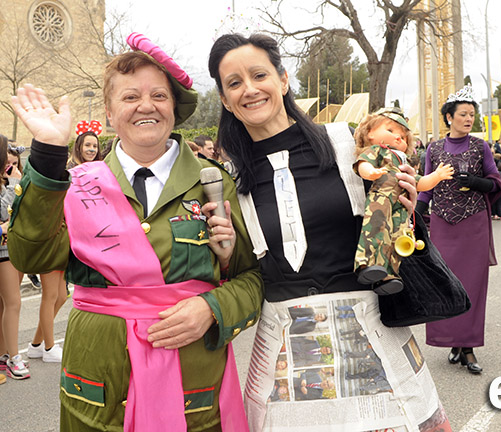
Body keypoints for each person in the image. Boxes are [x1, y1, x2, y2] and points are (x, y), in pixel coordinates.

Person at [9, 33, 263, 430]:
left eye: (159, 96)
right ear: (110, 113)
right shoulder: (75, 185)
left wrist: (212, 308)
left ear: (174, 110)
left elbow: (256, 278)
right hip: (97, 387)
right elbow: (31, 258)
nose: (146, 105)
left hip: (192, 384)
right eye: (130, 97)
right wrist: (47, 154)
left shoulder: (215, 183)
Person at [209, 33, 451, 431]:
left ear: (283, 80)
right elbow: (241, 271)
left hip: (371, 340)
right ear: (224, 98)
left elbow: (394, 221)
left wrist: (404, 204)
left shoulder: (344, 143)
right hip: (285, 356)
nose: (249, 89)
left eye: (259, 75)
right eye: (234, 83)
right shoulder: (229, 178)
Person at [416, 83, 501, 374]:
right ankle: (452, 341)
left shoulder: (481, 147)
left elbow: (495, 183)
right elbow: (425, 188)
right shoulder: (434, 148)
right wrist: (415, 214)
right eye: (463, 114)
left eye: (472, 115)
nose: (469, 119)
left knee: (472, 286)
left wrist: (476, 182)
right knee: (445, 284)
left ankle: (468, 348)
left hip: (473, 225)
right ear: (449, 117)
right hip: (442, 224)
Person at [353, 107, 453, 294]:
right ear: (370, 132)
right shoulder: (378, 151)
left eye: (403, 136)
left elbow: (421, 183)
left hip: (400, 205)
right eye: (390, 131)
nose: (398, 137)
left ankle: (389, 275)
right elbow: (362, 164)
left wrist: (437, 176)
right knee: (375, 229)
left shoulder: (403, 164)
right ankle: (366, 263)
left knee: (397, 238)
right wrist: (371, 173)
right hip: (381, 197)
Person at [0, 134, 30, 380]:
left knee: (6, 304)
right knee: (13, 303)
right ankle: (14, 358)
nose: (10, 166)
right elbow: (6, 211)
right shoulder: (7, 183)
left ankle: (4, 355)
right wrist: (13, 186)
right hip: (3, 250)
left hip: (8, 249)